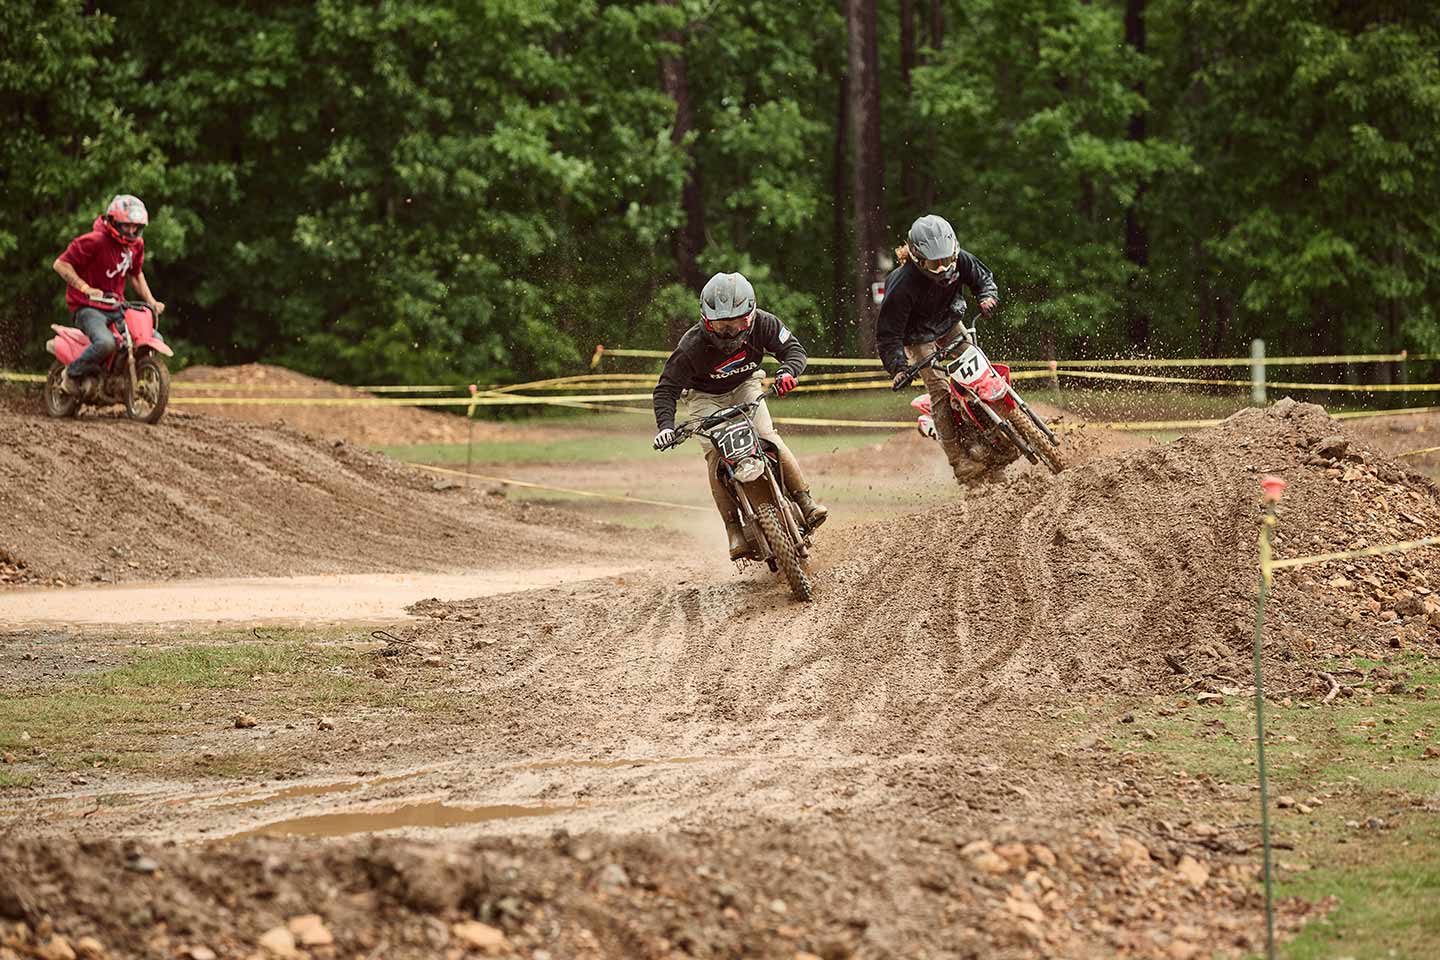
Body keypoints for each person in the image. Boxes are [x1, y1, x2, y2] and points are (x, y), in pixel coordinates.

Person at [652, 272, 828, 560]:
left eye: (738, 322)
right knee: (715, 456)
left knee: (768, 438)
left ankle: (804, 500)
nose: (731, 331)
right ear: (706, 320)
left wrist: (787, 371)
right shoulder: (690, 346)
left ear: (751, 314)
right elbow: (666, 389)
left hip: (746, 385)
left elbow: (793, 350)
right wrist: (665, 427)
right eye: (721, 324)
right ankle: (733, 528)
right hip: (704, 398)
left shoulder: (765, 324)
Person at [875, 213, 1011, 484]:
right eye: (935, 263)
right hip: (917, 337)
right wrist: (899, 368)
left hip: (949, 322)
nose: (943, 268)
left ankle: (1002, 424)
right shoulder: (901, 285)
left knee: (977, 367)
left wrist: (987, 297)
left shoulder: (961, 260)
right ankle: (959, 460)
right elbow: (889, 334)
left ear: (954, 250)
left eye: (947, 260)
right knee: (939, 391)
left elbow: (983, 278)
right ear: (917, 258)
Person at [51, 194, 165, 395]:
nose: (132, 231)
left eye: (136, 226)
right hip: (87, 307)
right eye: (126, 225)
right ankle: (71, 373)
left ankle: (126, 381)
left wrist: (151, 301)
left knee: (154, 336)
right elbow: (60, 264)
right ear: (113, 221)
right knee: (106, 343)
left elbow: (136, 274)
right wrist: (85, 288)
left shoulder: (136, 245)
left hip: (116, 307)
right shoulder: (93, 241)